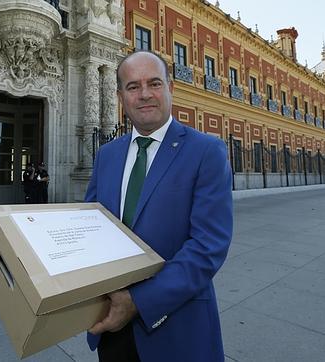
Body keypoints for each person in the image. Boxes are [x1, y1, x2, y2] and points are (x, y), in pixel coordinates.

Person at [85, 51, 233, 361]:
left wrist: (138, 301)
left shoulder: (206, 151)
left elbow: (208, 246)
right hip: (112, 325)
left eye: (154, 83)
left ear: (170, 88)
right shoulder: (107, 155)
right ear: (120, 96)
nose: (145, 95)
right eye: (133, 86)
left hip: (177, 326)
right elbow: (92, 227)